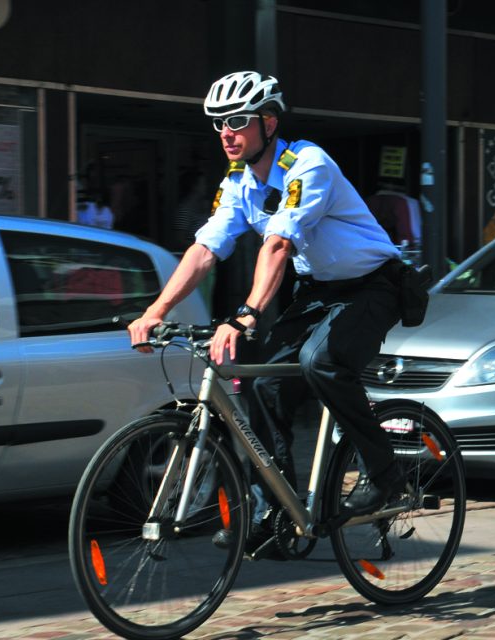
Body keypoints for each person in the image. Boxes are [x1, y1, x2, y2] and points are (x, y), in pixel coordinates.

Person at [127, 71, 407, 550]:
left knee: (322, 362)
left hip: (374, 286)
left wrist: (248, 313)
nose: (226, 132)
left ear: (269, 122)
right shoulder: (237, 182)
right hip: (320, 290)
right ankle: (273, 517)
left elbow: (277, 244)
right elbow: (205, 249)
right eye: (218, 123)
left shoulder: (308, 163)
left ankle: (384, 473)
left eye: (237, 120)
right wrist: (154, 310)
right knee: (265, 382)